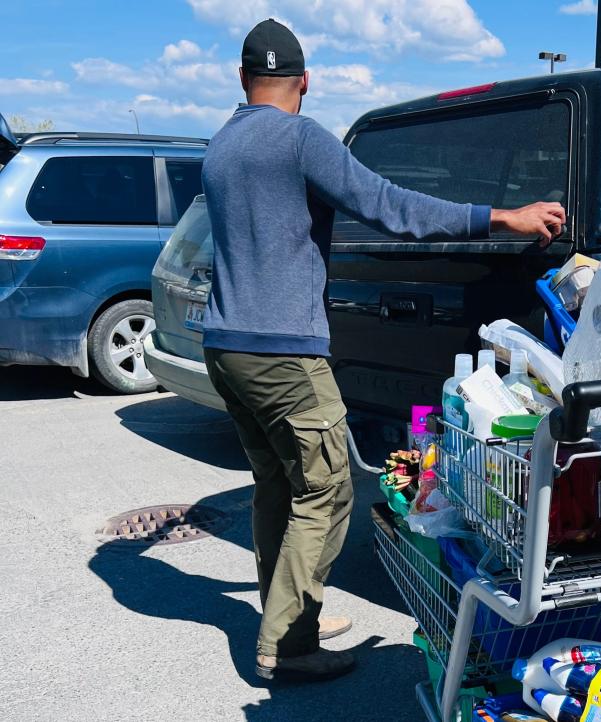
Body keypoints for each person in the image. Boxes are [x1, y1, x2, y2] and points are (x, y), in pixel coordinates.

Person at [201, 18, 566, 682]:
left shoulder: (221, 145)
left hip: (227, 347)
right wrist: (502, 217)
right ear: (305, 81)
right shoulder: (299, 138)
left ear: (242, 78)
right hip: (284, 350)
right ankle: (287, 646)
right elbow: (390, 206)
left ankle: (291, 616)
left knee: (279, 487)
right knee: (330, 485)